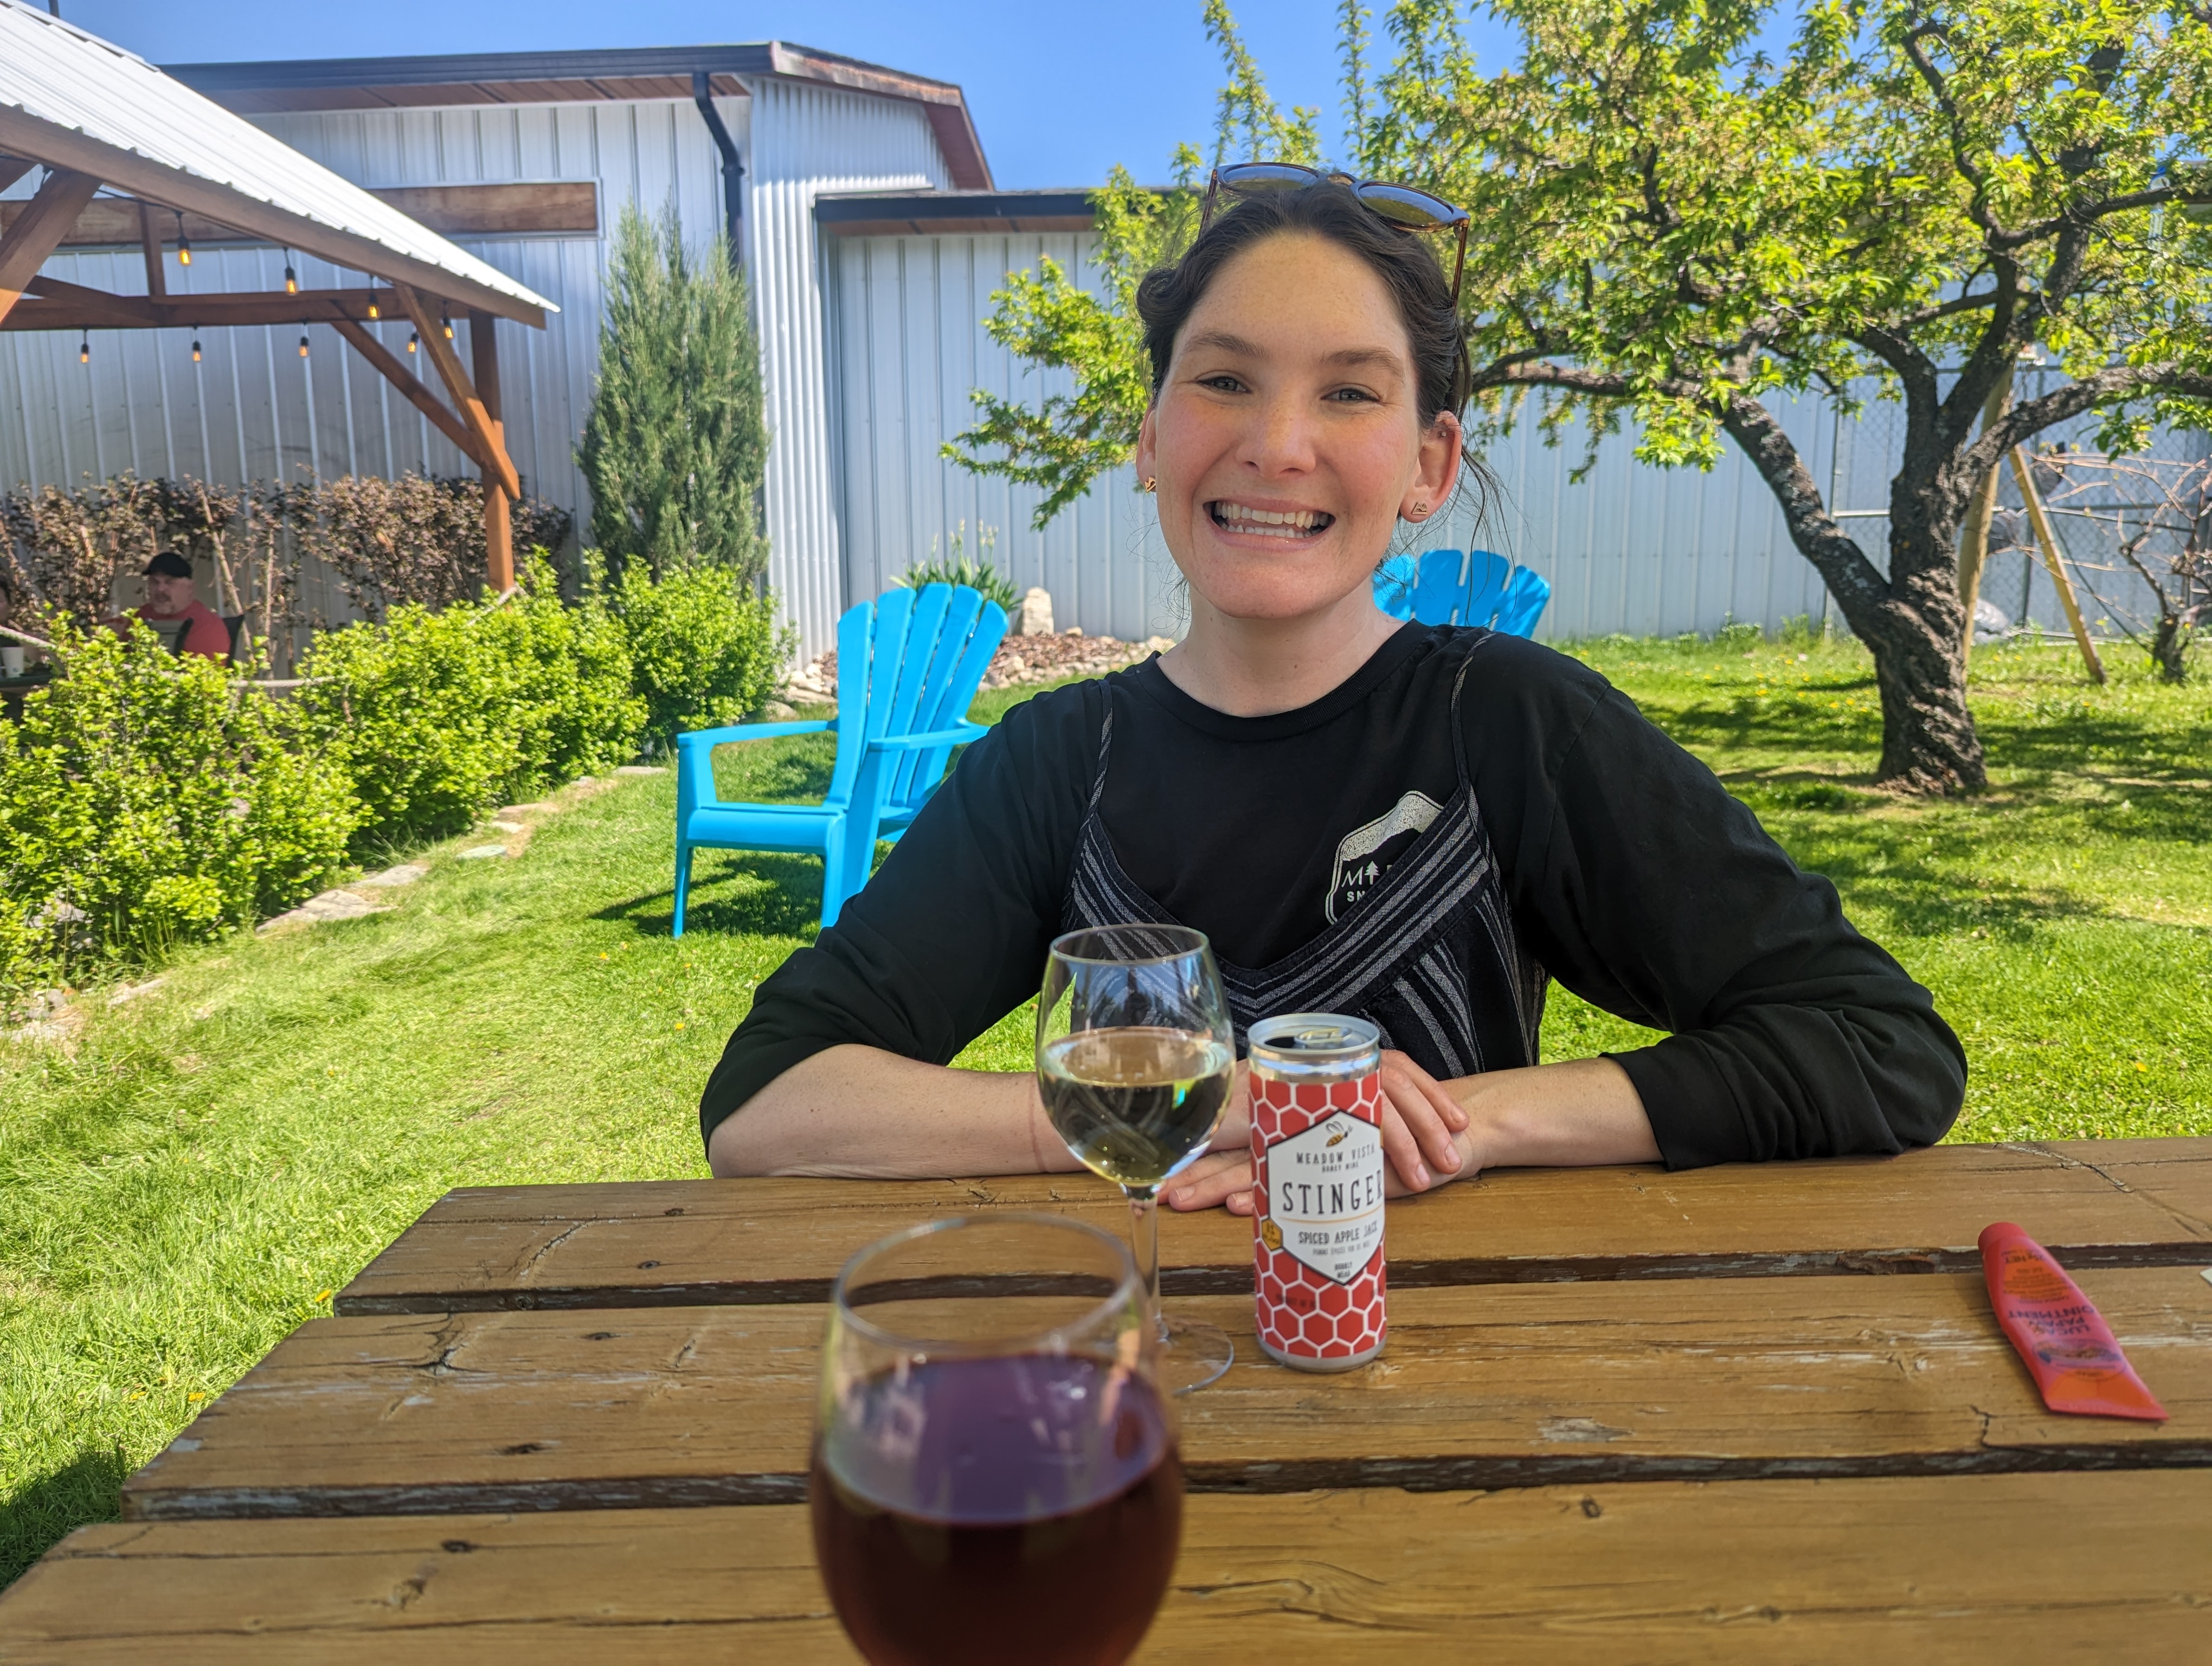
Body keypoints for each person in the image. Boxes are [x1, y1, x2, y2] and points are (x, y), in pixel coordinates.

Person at [699, 175, 1965, 1212]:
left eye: (1349, 392)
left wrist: (1464, 1122)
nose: (1276, 445)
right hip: (1145, 1366)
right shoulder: (1053, 763)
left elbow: (1877, 1045)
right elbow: (765, 1105)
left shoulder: (1511, 725)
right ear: (1150, 435)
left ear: (1428, 465)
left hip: (1456, 1377)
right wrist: (1179, 1109)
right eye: (1223, 380)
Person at [119, 552, 231, 661]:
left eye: (169, 582)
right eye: (155, 582)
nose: (160, 589)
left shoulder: (206, 624)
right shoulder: (143, 615)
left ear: (190, 587)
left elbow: (200, 671)